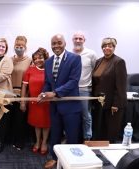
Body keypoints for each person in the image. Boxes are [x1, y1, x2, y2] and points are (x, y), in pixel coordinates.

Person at [39, 34, 82, 169]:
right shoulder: (48, 62)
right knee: (55, 136)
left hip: (70, 107)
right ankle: (55, 159)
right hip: (55, 107)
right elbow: (47, 83)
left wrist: (55, 93)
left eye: (59, 43)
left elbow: (73, 82)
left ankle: (71, 163)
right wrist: (43, 93)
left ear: (64, 43)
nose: (56, 46)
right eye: (53, 43)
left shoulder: (75, 58)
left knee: (72, 137)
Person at [92, 37, 127, 143]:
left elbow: (121, 85)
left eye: (110, 46)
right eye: (105, 46)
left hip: (112, 103)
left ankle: (109, 156)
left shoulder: (119, 62)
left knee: (110, 132)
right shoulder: (99, 61)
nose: (107, 48)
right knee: (99, 130)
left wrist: (116, 104)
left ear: (114, 47)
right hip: (99, 102)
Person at [21, 47, 50, 155]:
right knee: (37, 123)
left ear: (45, 57)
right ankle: (38, 141)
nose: (38, 60)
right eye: (35, 58)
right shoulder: (30, 70)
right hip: (34, 103)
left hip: (47, 102)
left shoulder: (50, 70)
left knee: (46, 123)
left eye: (40, 57)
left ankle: (44, 143)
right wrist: (23, 102)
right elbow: (24, 87)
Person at [72, 31, 97, 141]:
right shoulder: (68, 53)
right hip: (70, 89)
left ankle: (87, 138)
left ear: (84, 40)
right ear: (72, 40)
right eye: (76, 38)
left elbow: (95, 70)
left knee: (86, 116)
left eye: (80, 39)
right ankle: (71, 137)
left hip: (85, 89)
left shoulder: (91, 54)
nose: (78, 40)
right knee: (71, 114)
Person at [10, 36, 32, 150]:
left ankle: (20, 142)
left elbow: (30, 79)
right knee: (11, 119)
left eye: (21, 46)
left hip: (22, 93)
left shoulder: (29, 61)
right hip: (9, 93)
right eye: (17, 46)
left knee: (20, 119)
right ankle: (12, 140)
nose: (19, 48)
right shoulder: (9, 59)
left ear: (25, 47)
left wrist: (26, 97)